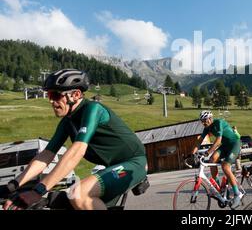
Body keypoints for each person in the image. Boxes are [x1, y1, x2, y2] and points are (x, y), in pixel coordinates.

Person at [3, 69, 148, 210]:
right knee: (69, 199)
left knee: (79, 194)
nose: (51, 101)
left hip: (134, 163)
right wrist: (12, 185)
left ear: (76, 94)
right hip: (111, 167)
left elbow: (77, 151)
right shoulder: (67, 122)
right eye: (49, 96)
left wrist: (38, 191)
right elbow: (46, 155)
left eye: (55, 95)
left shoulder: (93, 109)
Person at [191, 110, 242, 209]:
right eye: (202, 121)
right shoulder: (207, 128)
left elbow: (218, 141)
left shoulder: (218, 123)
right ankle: (218, 188)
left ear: (210, 119)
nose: (204, 123)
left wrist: (207, 152)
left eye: (205, 120)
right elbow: (199, 141)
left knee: (225, 166)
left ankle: (237, 194)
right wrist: (192, 154)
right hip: (225, 146)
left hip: (234, 144)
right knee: (212, 160)